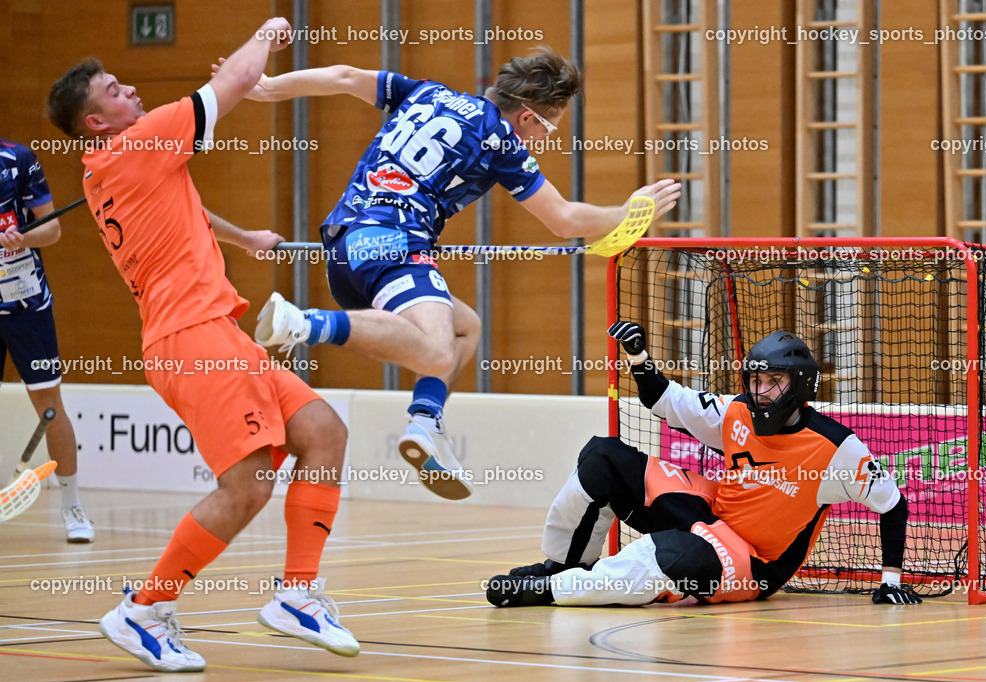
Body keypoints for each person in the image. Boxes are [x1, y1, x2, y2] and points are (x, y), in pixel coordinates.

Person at [46, 18, 360, 673]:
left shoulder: (114, 166)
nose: (131, 90)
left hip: (213, 329)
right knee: (248, 484)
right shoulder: (142, 140)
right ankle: (142, 610)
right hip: (191, 337)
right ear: (97, 122)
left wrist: (242, 237)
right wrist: (267, 31)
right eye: (114, 90)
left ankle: (297, 594)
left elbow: (182, 205)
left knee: (323, 431)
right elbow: (237, 79)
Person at [243, 48, 682, 500]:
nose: (542, 139)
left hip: (342, 250)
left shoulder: (428, 93)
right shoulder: (502, 140)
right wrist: (627, 212)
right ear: (527, 116)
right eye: (547, 128)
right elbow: (565, 220)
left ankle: (425, 422)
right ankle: (304, 323)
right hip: (394, 242)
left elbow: (345, 75)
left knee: (463, 328)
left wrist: (269, 88)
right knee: (436, 352)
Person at [486, 324, 923, 608]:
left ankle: (551, 591)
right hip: (712, 517)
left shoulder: (837, 448)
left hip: (752, 563)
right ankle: (562, 567)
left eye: (773, 382)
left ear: (800, 385)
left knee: (671, 555)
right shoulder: (735, 412)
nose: (760, 391)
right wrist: (639, 358)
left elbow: (893, 505)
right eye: (755, 380)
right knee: (603, 457)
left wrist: (890, 580)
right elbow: (664, 399)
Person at [0, 139, 94, 543]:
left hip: (26, 304)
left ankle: (72, 506)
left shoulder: (17, 159)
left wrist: (23, 239)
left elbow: (51, 228)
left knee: (49, 407)